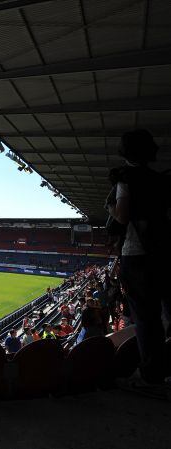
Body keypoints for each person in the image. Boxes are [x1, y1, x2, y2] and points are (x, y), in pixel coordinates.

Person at [107, 130, 171, 389]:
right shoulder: (162, 180)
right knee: (163, 312)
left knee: (146, 318)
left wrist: (110, 206)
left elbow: (121, 217)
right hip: (163, 253)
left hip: (137, 254)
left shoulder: (125, 178)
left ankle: (151, 374)